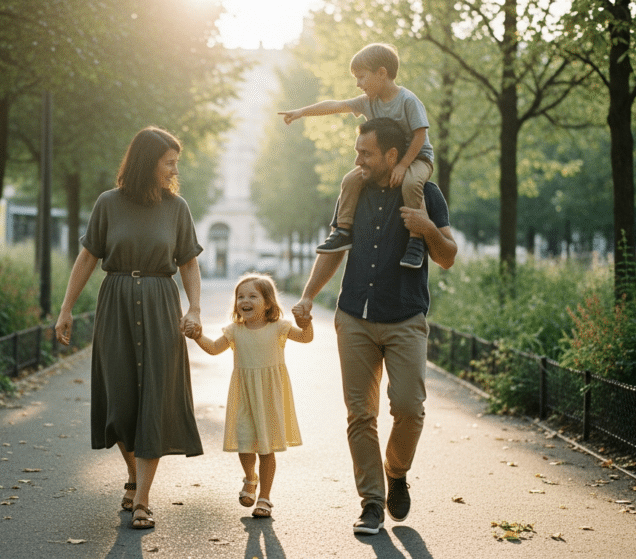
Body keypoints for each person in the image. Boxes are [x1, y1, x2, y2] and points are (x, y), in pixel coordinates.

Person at [291, 118, 457, 535]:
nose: (357, 160)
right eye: (357, 151)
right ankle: (371, 502)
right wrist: (309, 294)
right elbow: (335, 247)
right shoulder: (354, 190)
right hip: (355, 318)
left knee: (408, 408)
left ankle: (396, 471)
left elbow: (449, 256)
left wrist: (427, 228)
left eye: (365, 153)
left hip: (405, 318)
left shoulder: (427, 193)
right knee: (361, 415)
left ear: (392, 156)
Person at [55, 125, 204, 530]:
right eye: (168, 162)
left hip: (160, 304)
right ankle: (134, 475)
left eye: (175, 162)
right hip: (116, 302)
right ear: (146, 162)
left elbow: (188, 263)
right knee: (120, 403)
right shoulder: (108, 203)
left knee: (154, 398)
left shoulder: (178, 208)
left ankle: (142, 500)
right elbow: (87, 258)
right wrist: (65, 308)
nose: (174, 169)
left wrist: (194, 309)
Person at [279, 42, 434, 269]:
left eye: (361, 77)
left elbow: (420, 135)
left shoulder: (408, 101)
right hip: (385, 162)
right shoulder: (368, 102)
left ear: (382, 73)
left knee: (410, 184)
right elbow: (335, 105)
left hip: (416, 158)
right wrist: (302, 112)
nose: (358, 84)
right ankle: (343, 231)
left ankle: (416, 242)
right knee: (350, 180)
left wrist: (402, 165)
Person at [186, 273, 313, 518]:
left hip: (269, 397)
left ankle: (264, 497)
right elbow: (214, 348)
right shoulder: (235, 330)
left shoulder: (280, 328)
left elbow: (306, 338)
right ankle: (249, 478)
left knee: (266, 448)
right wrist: (197, 335)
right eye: (240, 296)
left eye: (253, 296)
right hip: (244, 396)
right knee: (244, 443)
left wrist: (306, 322)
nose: (245, 300)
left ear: (268, 303)